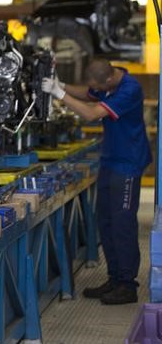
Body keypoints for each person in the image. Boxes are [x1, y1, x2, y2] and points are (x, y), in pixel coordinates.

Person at [42, 58, 151, 305]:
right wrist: (63, 84)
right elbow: (87, 93)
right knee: (106, 220)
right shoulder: (110, 81)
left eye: (99, 85)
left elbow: (91, 114)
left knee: (122, 223)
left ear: (109, 79)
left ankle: (127, 285)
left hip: (128, 163)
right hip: (111, 160)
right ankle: (115, 279)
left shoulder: (130, 89)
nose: (95, 89)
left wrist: (58, 94)